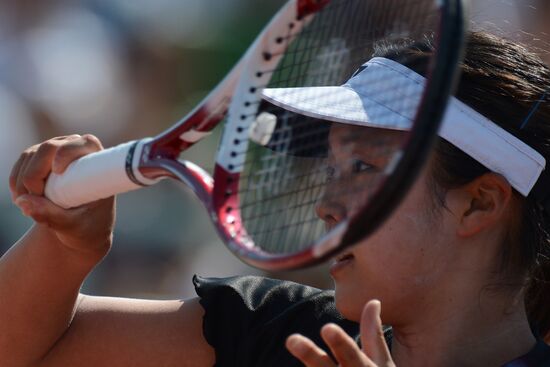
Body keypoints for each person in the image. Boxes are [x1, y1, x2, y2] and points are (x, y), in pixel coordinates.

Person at [2, 31, 550, 367]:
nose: (326, 205)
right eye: (331, 169)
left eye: (362, 167)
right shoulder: (275, 329)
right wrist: (66, 247)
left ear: (479, 203)